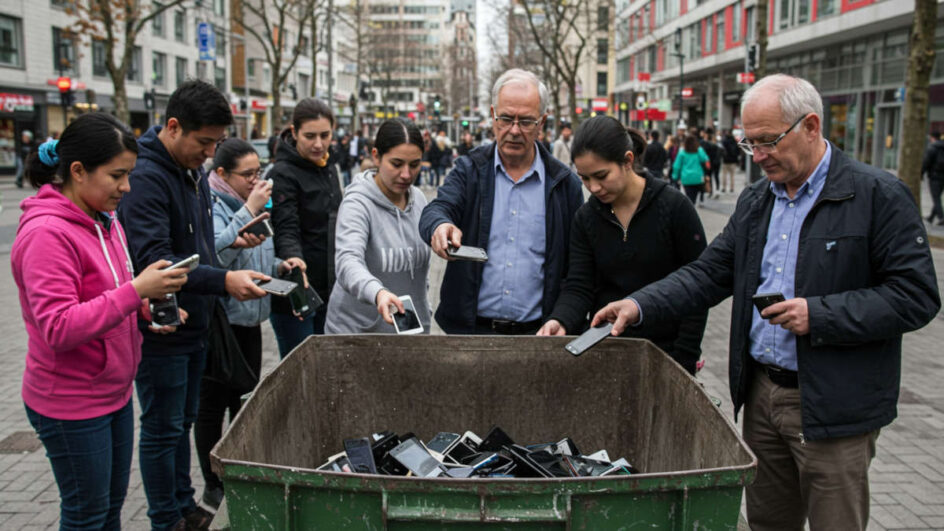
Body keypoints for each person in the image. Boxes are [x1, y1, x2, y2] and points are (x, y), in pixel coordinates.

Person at [591, 74, 940, 531]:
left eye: (767, 141)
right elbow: (708, 272)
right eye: (748, 143)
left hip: (833, 404)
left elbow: (915, 296)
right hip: (760, 399)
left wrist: (818, 314)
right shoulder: (758, 200)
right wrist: (638, 305)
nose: (757, 156)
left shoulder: (877, 195)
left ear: (811, 126)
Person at [12, 114, 189, 530]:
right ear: (78, 171)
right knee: (87, 516)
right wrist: (136, 292)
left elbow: (108, 293)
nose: (126, 187)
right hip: (70, 402)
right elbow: (58, 327)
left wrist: (146, 307)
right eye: (117, 176)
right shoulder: (47, 234)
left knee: (108, 510)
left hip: (111, 392)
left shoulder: (103, 220)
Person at [118, 80, 269, 531]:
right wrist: (223, 279)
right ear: (172, 127)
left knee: (179, 423)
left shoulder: (189, 170)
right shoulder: (146, 177)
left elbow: (199, 246)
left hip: (197, 323)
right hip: (164, 327)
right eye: (204, 143)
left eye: (216, 143)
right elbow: (156, 262)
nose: (209, 154)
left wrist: (228, 253)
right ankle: (168, 517)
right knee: (164, 429)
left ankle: (184, 506)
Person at [418, 68, 583, 335]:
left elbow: (578, 269)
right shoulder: (469, 170)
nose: (514, 130)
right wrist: (440, 226)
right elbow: (436, 209)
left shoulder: (565, 185)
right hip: (471, 333)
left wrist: (564, 318)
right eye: (506, 118)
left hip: (538, 336)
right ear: (493, 116)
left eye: (526, 121)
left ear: (542, 123)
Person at [536, 118, 707, 374]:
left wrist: (684, 357)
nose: (593, 188)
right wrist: (560, 320)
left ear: (627, 161)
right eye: (584, 178)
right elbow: (579, 285)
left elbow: (698, 287)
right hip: (605, 350)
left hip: (666, 354)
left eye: (601, 176)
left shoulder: (674, 208)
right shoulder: (586, 218)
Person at [194, 138, 306, 510]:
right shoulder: (211, 204)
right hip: (221, 322)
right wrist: (247, 210)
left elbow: (257, 254)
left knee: (242, 401)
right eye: (247, 175)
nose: (255, 181)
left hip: (251, 320)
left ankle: (236, 470)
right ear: (222, 174)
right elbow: (213, 259)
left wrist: (278, 268)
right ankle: (211, 482)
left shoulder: (252, 203)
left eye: (258, 172)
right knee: (213, 404)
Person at [325, 119, 431, 334]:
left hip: (409, 331)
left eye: (414, 164)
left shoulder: (419, 199)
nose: (406, 174)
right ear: (376, 156)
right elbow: (347, 262)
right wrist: (378, 293)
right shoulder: (357, 203)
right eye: (397, 163)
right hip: (358, 335)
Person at [269, 98, 343, 357]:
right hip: (297, 290)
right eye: (310, 136)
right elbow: (285, 225)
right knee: (300, 371)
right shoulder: (282, 173)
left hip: (330, 289)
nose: (319, 144)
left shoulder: (330, 167)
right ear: (294, 132)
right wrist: (294, 259)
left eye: (325, 135)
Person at [672, 134, 709, 204]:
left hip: (686, 178)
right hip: (698, 177)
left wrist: (675, 176)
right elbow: (705, 159)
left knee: (689, 196)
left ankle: (690, 208)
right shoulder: (699, 150)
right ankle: (693, 206)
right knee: (694, 197)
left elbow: (676, 166)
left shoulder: (682, 152)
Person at [922, 131, 944, 225]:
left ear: (932, 138)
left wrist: (921, 173)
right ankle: (931, 217)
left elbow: (926, 162)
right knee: (937, 196)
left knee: (936, 197)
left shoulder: (932, 148)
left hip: (935, 176)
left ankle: (941, 217)